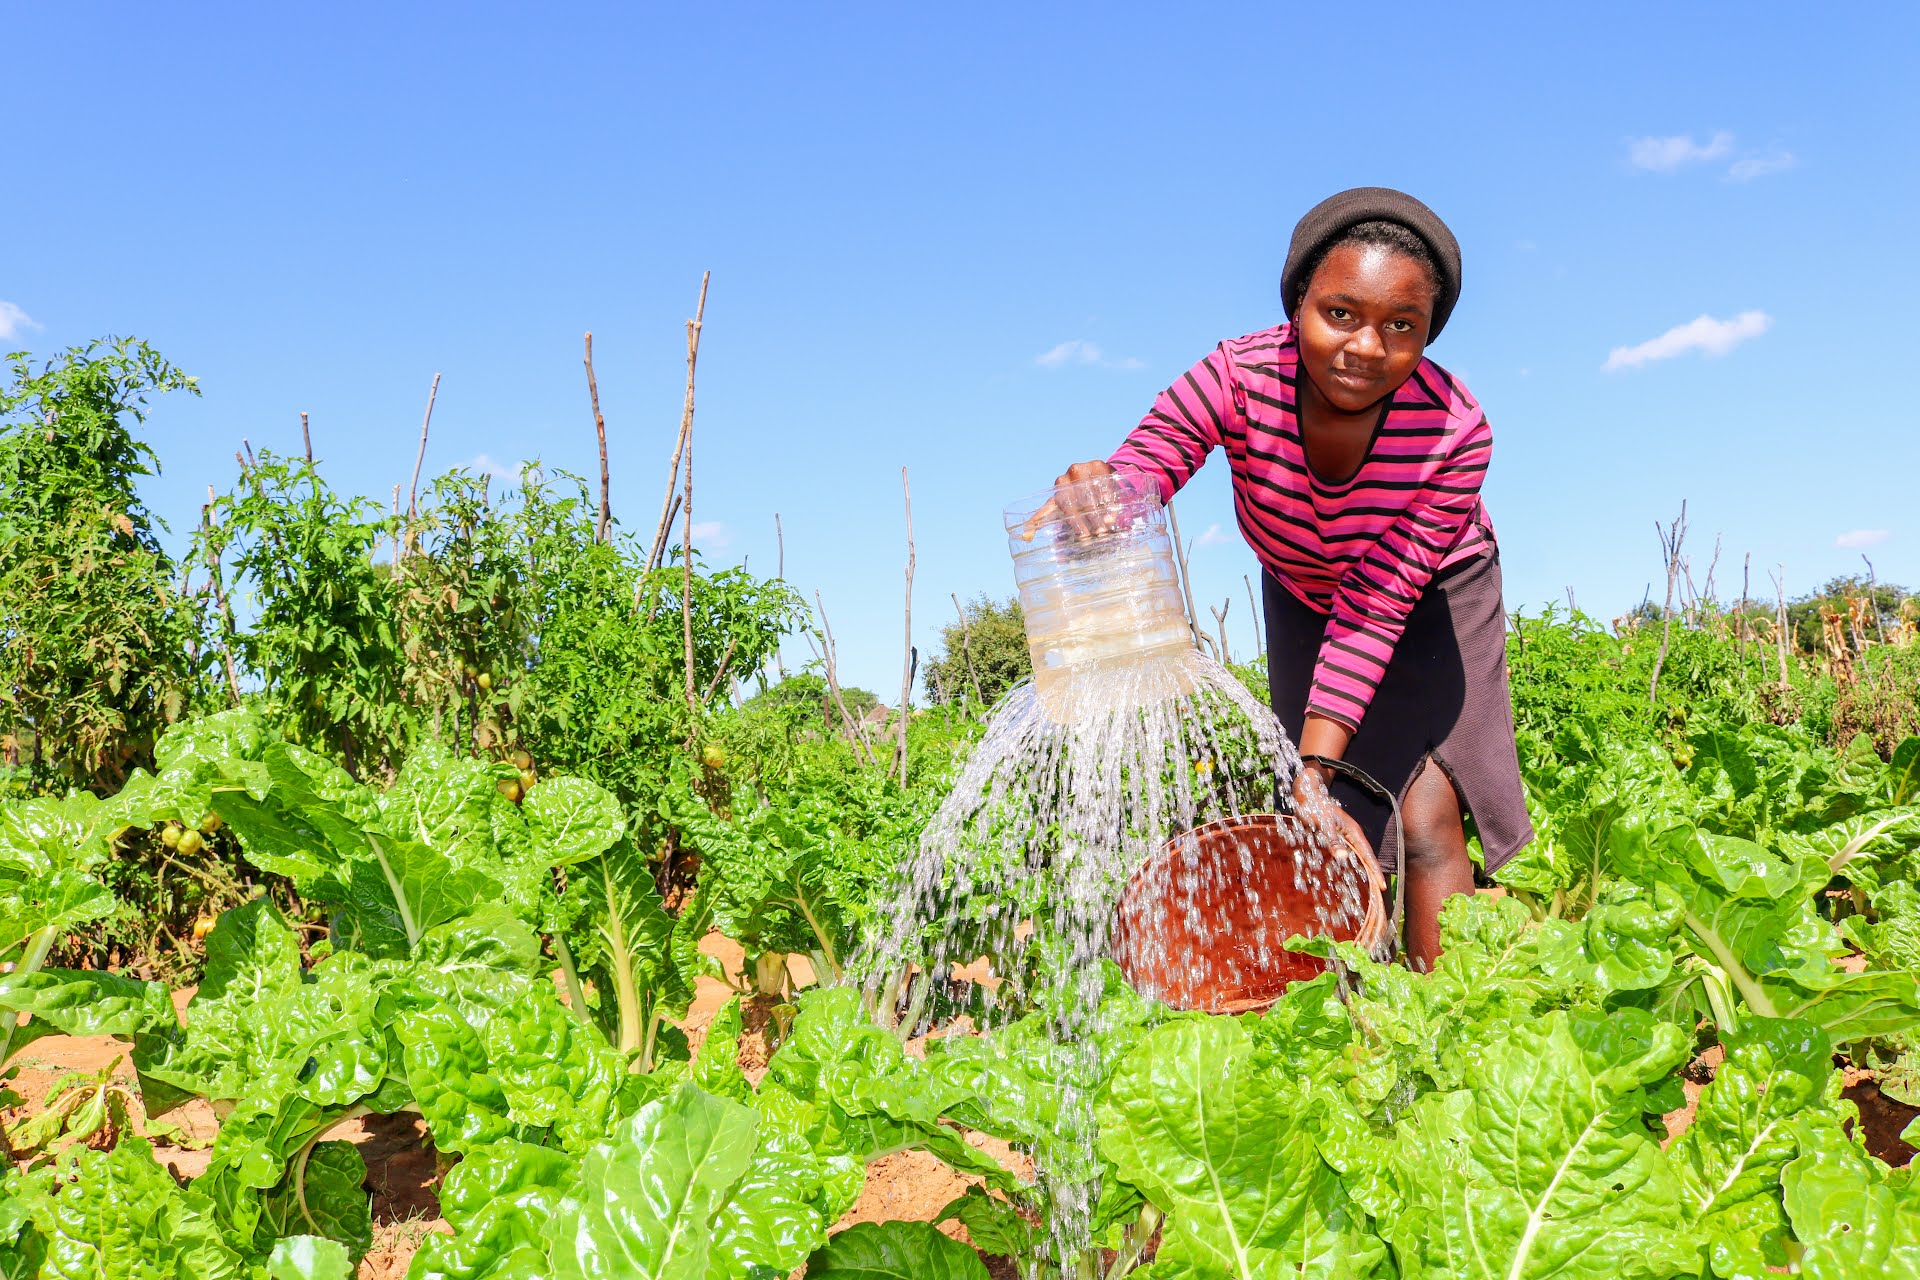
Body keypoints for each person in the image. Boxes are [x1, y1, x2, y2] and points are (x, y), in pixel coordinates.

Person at [1048, 187, 1531, 970]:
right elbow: (1156, 456)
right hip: (1304, 590)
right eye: (1340, 313)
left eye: (1400, 327)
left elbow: (1378, 604)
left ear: (1428, 334)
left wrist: (1312, 762)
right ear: (1298, 301)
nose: (1366, 347)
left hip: (1434, 595)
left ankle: (1454, 1024)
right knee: (1332, 815)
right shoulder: (1238, 376)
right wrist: (1105, 488)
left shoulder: (1453, 431)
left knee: (1424, 811)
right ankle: (1349, 1013)